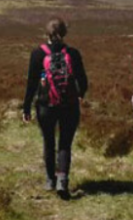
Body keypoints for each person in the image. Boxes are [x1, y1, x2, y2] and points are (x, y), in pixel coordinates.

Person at [23, 17, 89, 198]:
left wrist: (26, 108)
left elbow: (31, 83)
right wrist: (80, 94)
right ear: (65, 33)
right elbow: (82, 80)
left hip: (46, 105)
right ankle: (63, 180)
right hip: (69, 105)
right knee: (65, 144)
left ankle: (50, 180)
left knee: (48, 141)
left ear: (46, 33)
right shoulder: (73, 53)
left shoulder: (38, 54)